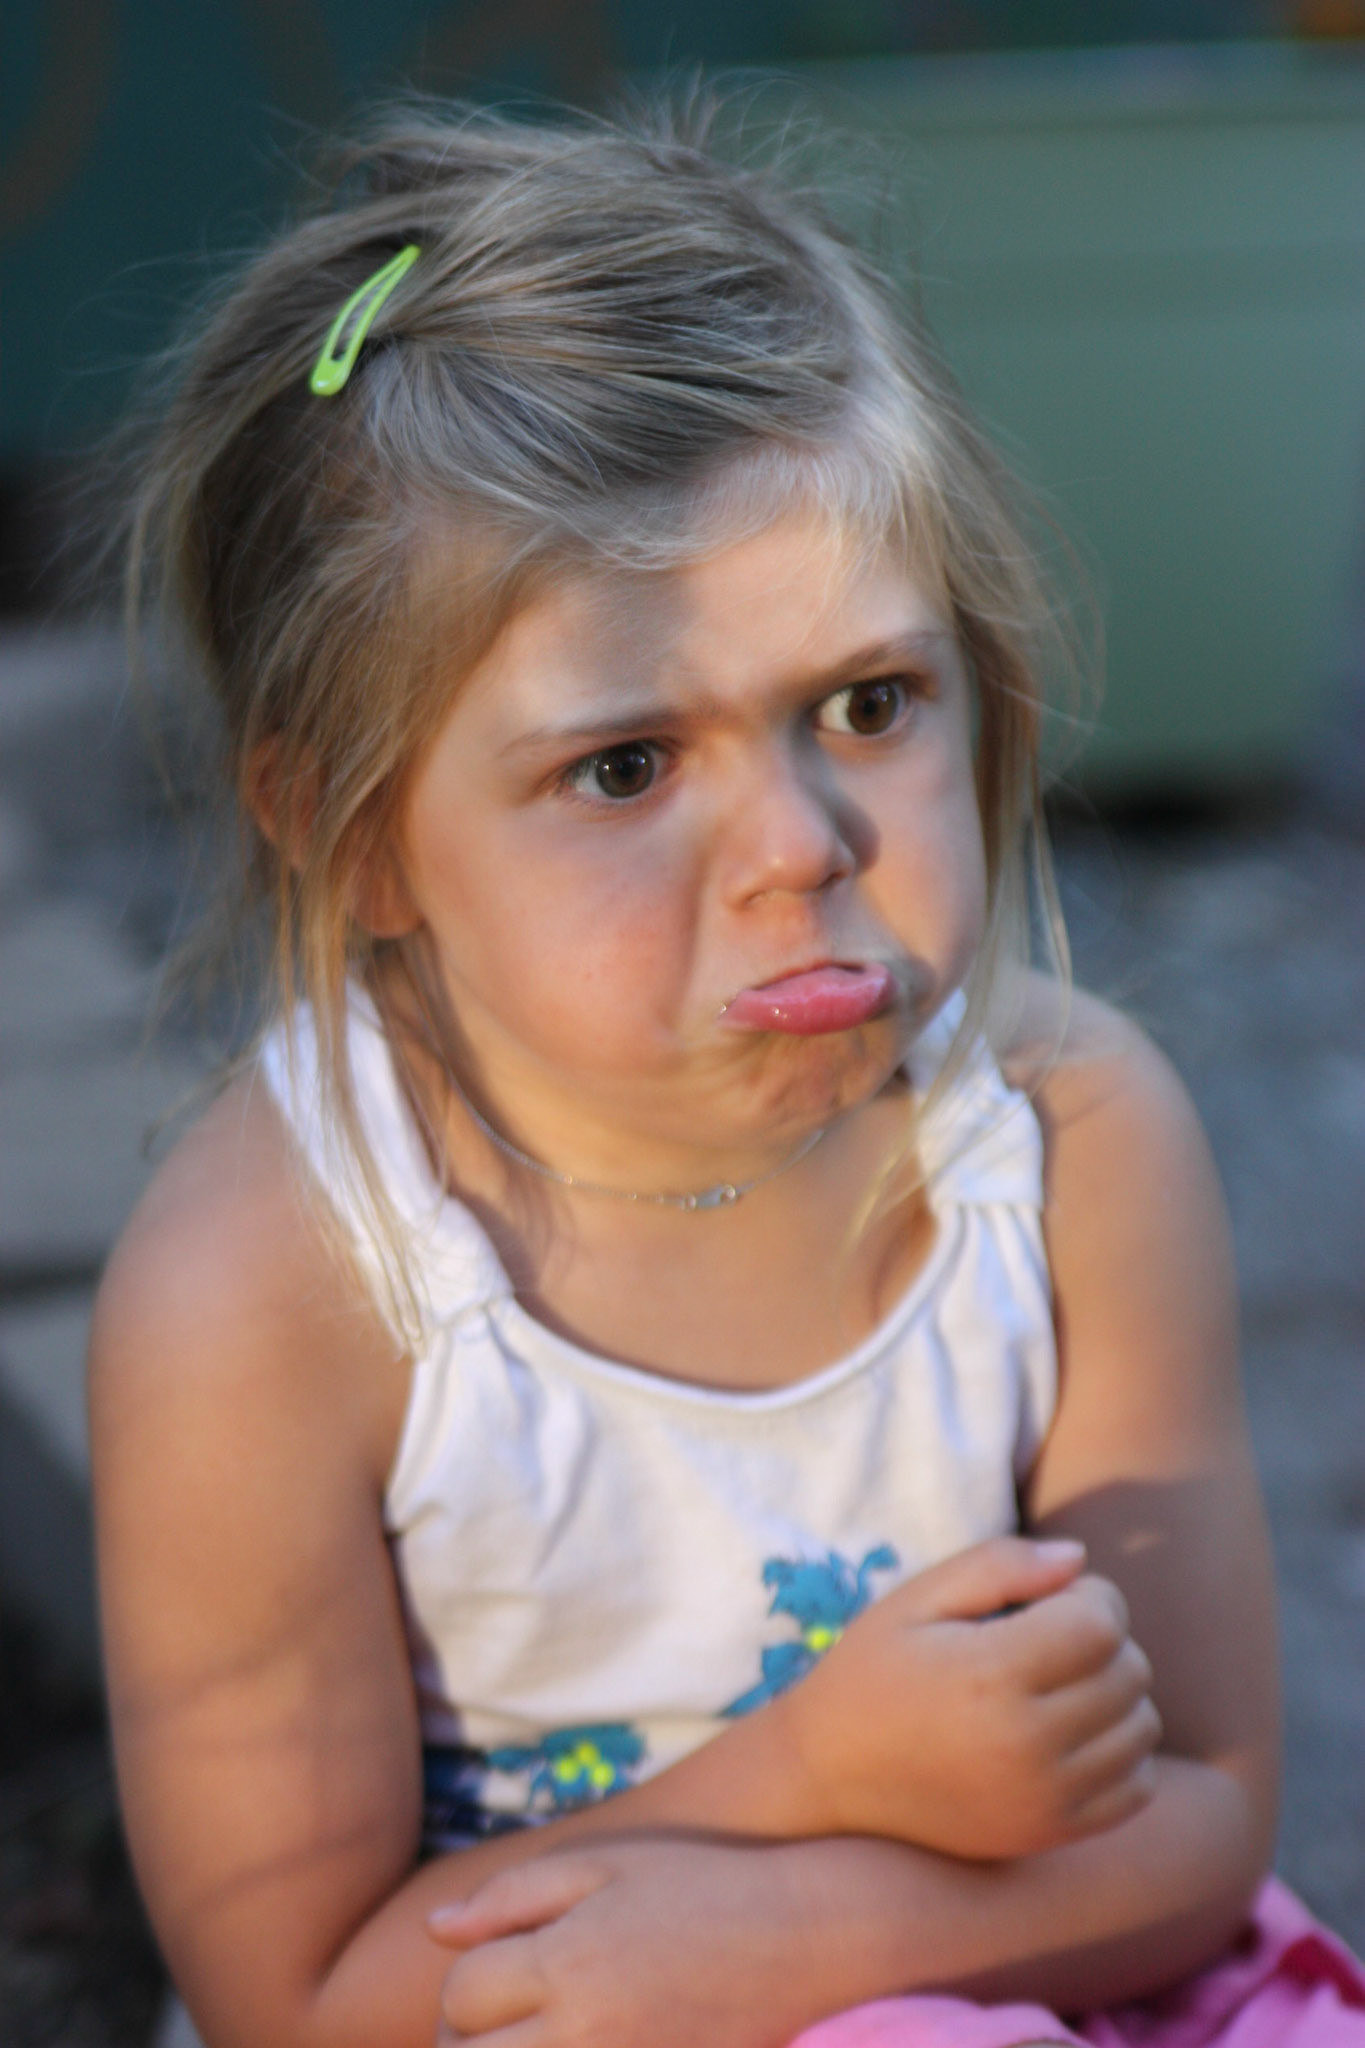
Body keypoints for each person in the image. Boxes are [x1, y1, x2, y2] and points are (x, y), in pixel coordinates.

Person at [89, 100, 1365, 2048]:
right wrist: (801, 1789)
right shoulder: (268, 1295)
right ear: (349, 841)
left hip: (1037, 1967)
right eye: (621, 766)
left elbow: (1197, 1817)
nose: (800, 843)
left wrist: (812, 1932)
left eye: (865, 702)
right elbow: (298, 2002)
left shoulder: (1063, 1147)